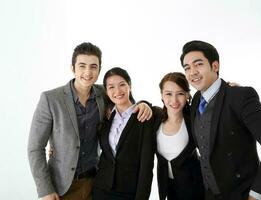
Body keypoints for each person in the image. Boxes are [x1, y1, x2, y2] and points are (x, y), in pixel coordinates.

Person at [27, 43, 152, 200]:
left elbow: (123, 98)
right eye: (82, 66)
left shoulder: (103, 93)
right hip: (62, 187)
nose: (88, 72)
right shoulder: (51, 99)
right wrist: (45, 189)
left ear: (99, 69)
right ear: (73, 68)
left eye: (93, 66)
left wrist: (144, 103)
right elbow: (35, 148)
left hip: (96, 183)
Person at [180, 40, 261, 200]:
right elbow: (173, 111)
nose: (192, 72)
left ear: (215, 66)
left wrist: (256, 195)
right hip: (209, 194)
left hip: (241, 194)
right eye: (187, 68)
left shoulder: (240, 96)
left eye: (198, 64)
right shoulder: (195, 100)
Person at [92, 67, 155, 200]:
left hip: (129, 192)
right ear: (107, 92)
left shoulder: (143, 116)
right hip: (101, 189)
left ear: (129, 86)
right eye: (111, 87)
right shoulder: (106, 116)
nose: (117, 91)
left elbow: (147, 165)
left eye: (122, 85)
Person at [154, 72, 204, 200]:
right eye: (169, 94)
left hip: (196, 188)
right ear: (162, 95)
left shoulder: (194, 119)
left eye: (180, 93)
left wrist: (229, 88)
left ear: (187, 95)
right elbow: (140, 107)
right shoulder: (155, 119)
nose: (174, 100)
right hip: (168, 189)